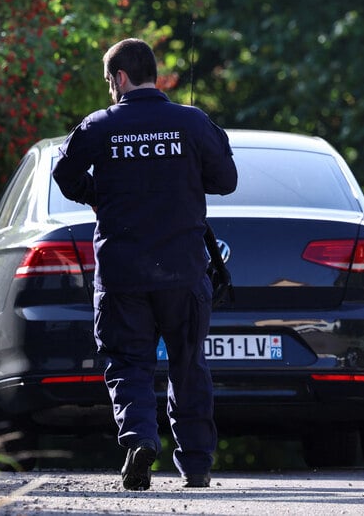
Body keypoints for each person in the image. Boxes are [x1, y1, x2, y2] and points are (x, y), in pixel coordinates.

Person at [51, 38, 237, 491]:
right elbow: (226, 181)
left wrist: (102, 196)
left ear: (119, 78)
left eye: (107, 81)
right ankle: (196, 465)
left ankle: (140, 439)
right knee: (188, 363)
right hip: (183, 269)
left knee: (128, 362)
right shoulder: (192, 122)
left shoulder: (98, 125)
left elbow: (63, 175)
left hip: (122, 272)